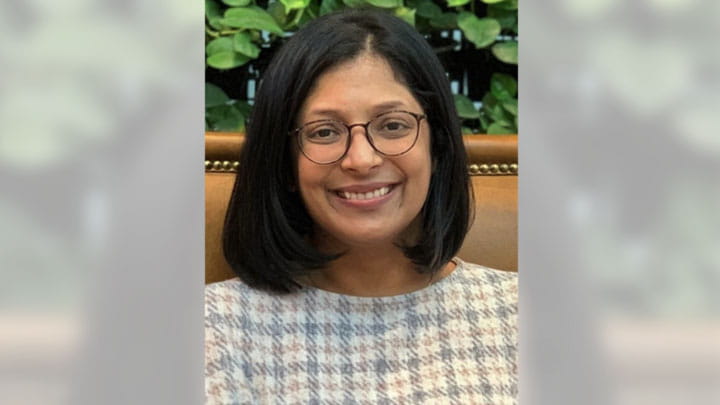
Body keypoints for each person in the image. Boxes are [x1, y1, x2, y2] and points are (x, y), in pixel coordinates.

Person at [205, 8, 517, 404]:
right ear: (285, 162)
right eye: (324, 132)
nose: (361, 159)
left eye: (392, 125)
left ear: (437, 146)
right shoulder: (211, 330)